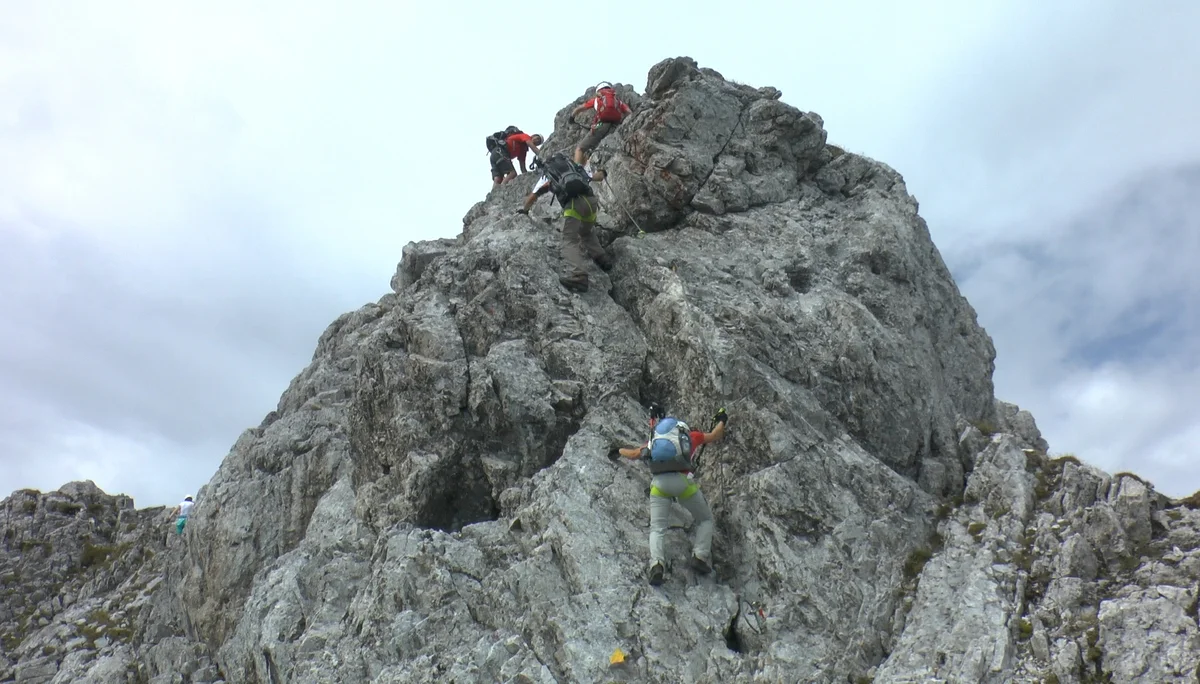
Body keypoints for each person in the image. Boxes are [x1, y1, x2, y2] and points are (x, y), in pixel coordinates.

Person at [611, 405, 728, 585]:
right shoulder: (690, 437)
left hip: (659, 486)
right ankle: (699, 556)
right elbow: (715, 435)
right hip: (683, 484)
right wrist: (722, 420)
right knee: (705, 519)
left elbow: (634, 454)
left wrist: (618, 450)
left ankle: (657, 565)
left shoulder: (654, 441)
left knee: (657, 528)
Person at [517, 154, 613, 293]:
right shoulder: (575, 169)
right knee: (586, 232)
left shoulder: (549, 175)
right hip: (591, 202)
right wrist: (603, 173)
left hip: (573, 205)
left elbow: (533, 196)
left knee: (569, 239)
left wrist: (524, 210)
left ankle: (579, 275)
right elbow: (596, 177)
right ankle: (602, 259)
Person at [570, 82, 632, 165]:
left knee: (580, 149)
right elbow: (629, 112)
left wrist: (572, 117)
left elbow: (579, 109)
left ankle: (577, 171)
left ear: (598, 91)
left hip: (601, 124)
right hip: (615, 127)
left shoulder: (597, 99)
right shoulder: (618, 101)